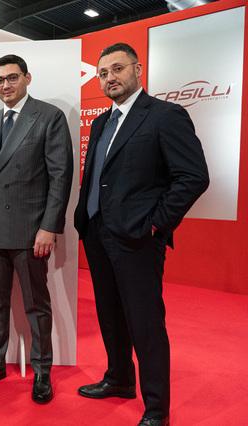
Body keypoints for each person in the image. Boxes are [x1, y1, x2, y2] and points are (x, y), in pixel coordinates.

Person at [74, 43, 209, 426]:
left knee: (145, 322)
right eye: (103, 73)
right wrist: (85, 220)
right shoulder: (101, 122)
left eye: (117, 69)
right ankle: (118, 379)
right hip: (97, 233)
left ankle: (156, 409)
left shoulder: (165, 116)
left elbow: (194, 176)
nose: (110, 78)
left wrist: (155, 223)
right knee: (110, 314)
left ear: (138, 70)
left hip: (137, 238)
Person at [0, 54, 73, 403]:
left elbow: (60, 177)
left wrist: (49, 227)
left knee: (36, 305)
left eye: (12, 78)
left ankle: (42, 369)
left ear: (27, 78)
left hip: (31, 232)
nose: (5, 85)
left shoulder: (49, 117)